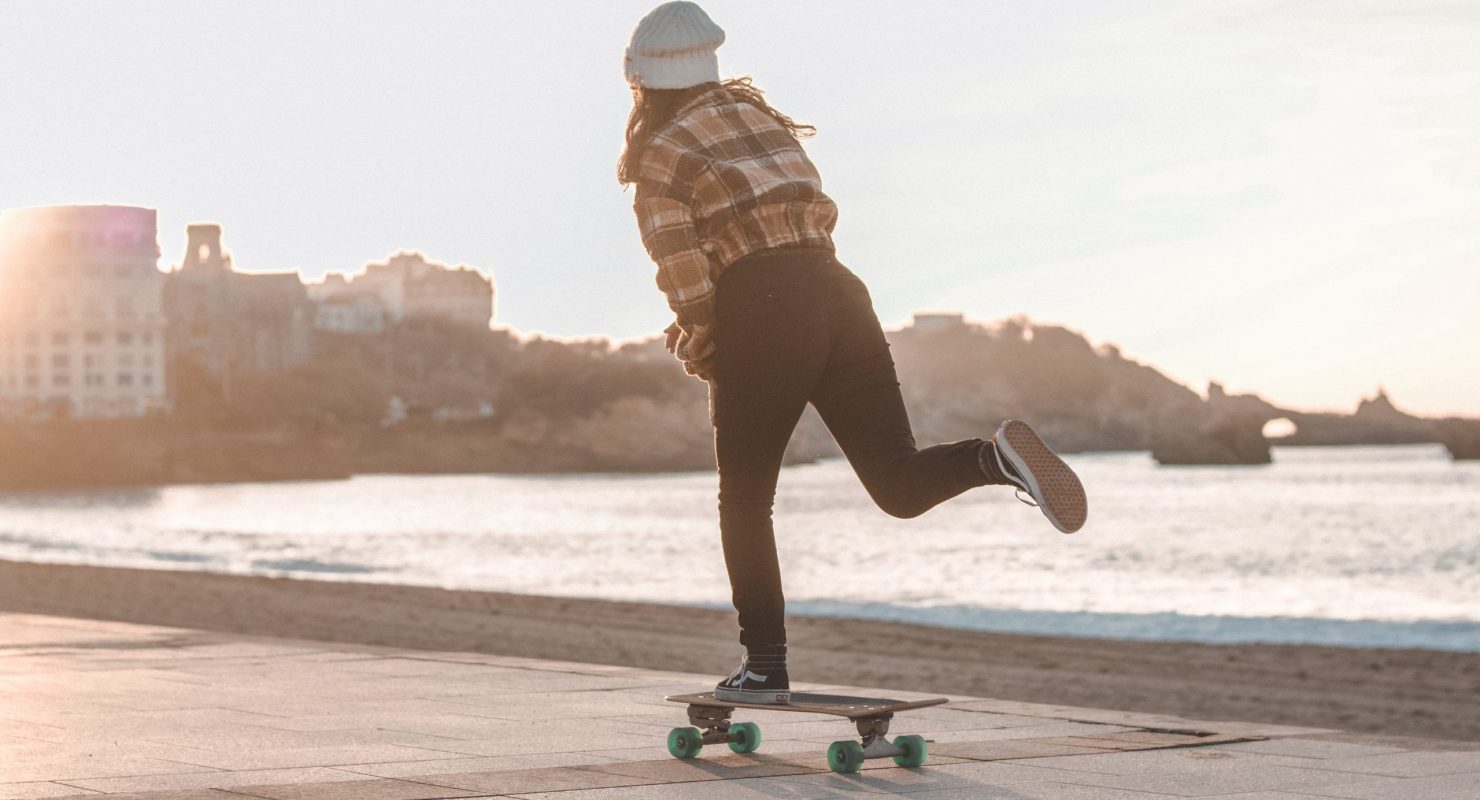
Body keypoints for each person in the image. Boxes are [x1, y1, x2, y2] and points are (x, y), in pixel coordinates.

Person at [620, 1, 1087, 704]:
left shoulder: (664, 153)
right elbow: (803, 224)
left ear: (642, 83)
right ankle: (994, 459)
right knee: (897, 482)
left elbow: (684, 275)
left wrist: (702, 337)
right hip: (839, 291)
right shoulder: (762, 122)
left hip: (764, 307)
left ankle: (765, 668)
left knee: (744, 498)